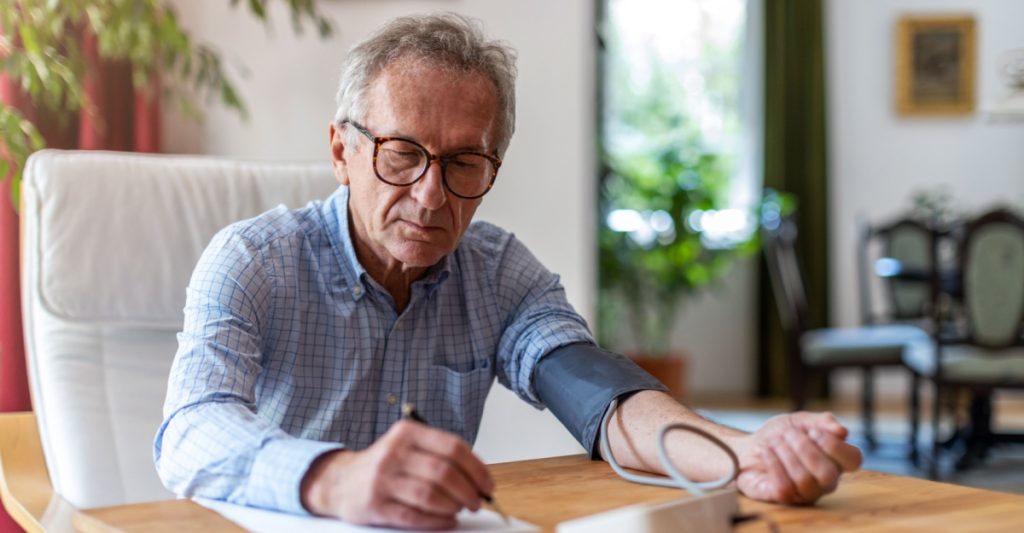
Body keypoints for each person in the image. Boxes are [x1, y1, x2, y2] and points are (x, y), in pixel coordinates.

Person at [155, 12, 862, 531]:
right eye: (402, 153)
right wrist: (337, 478)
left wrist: (744, 452)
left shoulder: (495, 273)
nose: (432, 195)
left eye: (464, 163)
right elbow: (191, 429)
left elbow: (601, 397)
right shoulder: (252, 260)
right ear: (341, 150)